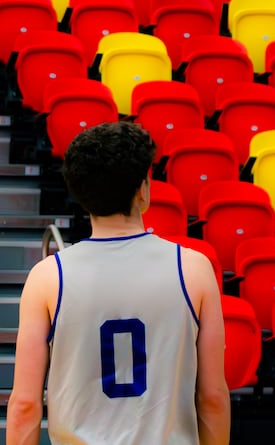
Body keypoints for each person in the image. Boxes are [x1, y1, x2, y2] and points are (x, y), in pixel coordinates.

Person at [6, 121, 231, 445]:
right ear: (143, 189)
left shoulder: (47, 277)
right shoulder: (193, 268)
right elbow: (212, 398)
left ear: (80, 193)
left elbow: (25, 405)